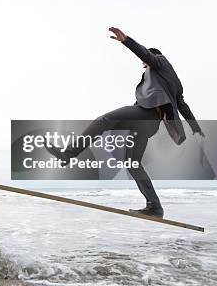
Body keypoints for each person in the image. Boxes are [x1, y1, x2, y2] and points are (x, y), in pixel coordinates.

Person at [47, 27, 204, 218]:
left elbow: (147, 54)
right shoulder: (174, 81)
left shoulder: (160, 62)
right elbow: (182, 105)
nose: (143, 65)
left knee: (103, 121)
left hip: (145, 114)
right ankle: (155, 207)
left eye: (144, 62)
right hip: (151, 123)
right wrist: (195, 127)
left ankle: (68, 154)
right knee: (132, 162)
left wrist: (126, 40)